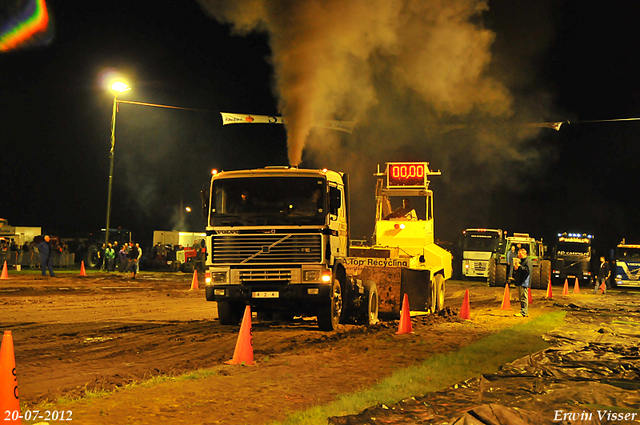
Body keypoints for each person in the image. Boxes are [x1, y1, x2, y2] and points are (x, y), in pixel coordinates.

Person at [513, 248, 532, 317]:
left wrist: (520, 267)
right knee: (521, 298)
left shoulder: (527, 261)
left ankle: (524, 312)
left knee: (524, 297)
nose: (518, 255)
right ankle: (523, 311)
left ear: (524, 254)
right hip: (521, 281)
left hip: (524, 282)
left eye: (520, 253)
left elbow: (527, 271)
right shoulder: (522, 261)